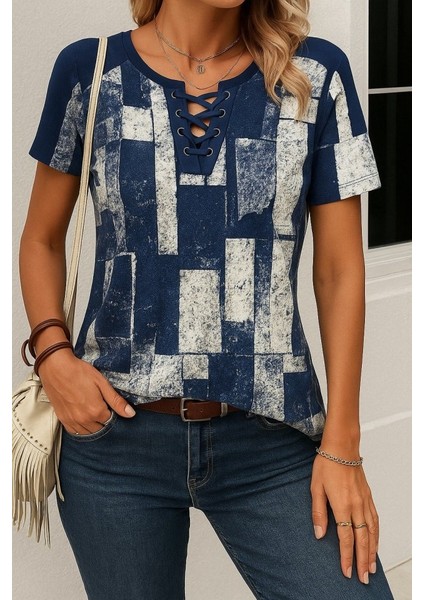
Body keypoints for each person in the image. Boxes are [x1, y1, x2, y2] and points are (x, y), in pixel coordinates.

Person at [18, 0, 395, 598]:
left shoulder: (315, 75)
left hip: (272, 436)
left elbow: (339, 270)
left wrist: (343, 444)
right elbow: (41, 238)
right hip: (116, 443)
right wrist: (53, 355)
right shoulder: (90, 72)